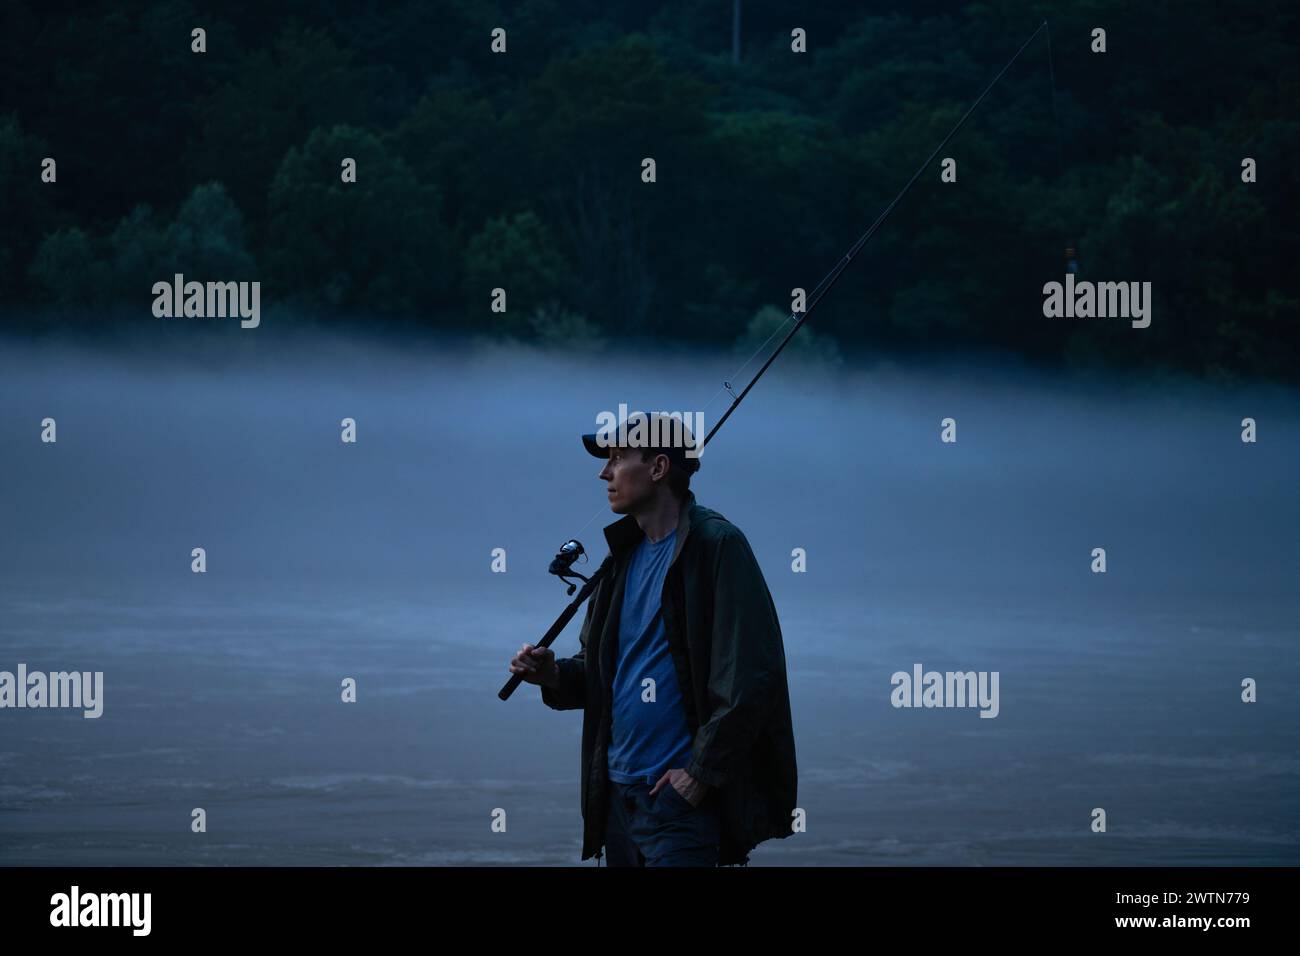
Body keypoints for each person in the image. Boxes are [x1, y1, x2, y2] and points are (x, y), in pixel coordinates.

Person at [508, 412, 797, 866]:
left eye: (618, 458)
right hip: (617, 796)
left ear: (659, 468)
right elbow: (603, 671)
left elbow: (751, 677)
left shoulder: (717, 546)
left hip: (678, 805)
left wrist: (699, 776)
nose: (605, 472)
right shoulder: (620, 558)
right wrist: (552, 675)